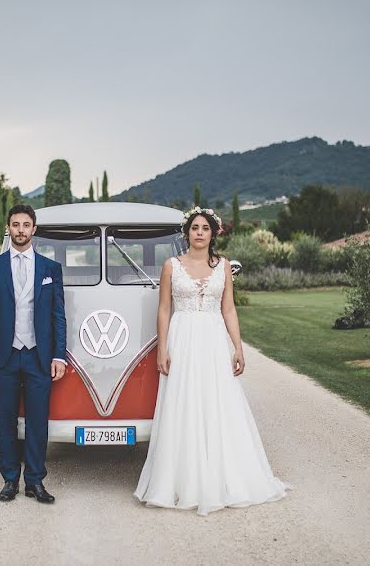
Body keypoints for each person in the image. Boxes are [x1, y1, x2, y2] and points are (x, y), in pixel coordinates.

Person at [134, 207, 292, 515]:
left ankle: (222, 477)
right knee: (183, 405)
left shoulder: (223, 267)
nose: (199, 233)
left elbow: (229, 309)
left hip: (213, 340)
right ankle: (181, 481)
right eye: (195, 227)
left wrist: (238, 347)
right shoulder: (171, 266)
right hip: (182, 340)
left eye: (205, 228)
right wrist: (162, 348)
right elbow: (164, 309)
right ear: (187, 232)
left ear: (213, 233)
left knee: (217, 404)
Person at [0, 204, 67, 503]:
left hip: (38, 356)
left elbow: (58, 316)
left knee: (38, 421)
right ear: (8, 228)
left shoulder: (50, 269)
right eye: (15, 224)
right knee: (6, 422)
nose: (20, 230)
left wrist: (58, 355)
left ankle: (35, 482)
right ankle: (9, 480)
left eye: (26, 225)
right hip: (5, 355)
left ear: (34, 229)